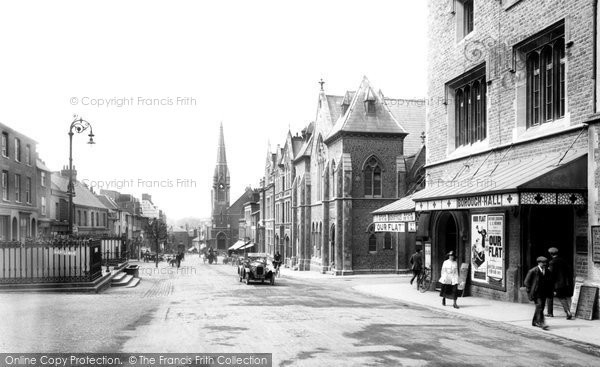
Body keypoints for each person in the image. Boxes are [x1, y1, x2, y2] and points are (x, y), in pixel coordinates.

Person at [524, 256, 553, 330]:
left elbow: (549, 282)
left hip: (543, 292)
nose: (544, 264)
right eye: (543, 263)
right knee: (539, 306)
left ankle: (534, 321)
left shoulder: (547, 271)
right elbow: (526, 282)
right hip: (535, 293)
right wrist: (530, 291)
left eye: (545, 263)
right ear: (539, 263)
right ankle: (541, 323)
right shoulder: (533, 271)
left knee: (540, 307)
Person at [546, 247, 574, 319]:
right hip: (563, 283)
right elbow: (568, 271)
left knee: (549, 296)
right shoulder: (563, 261)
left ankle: (550, 313)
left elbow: (551, 274)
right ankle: (568, 311)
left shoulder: (552, 262)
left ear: (551, 254)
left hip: (555, 283)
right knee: (562, 297)